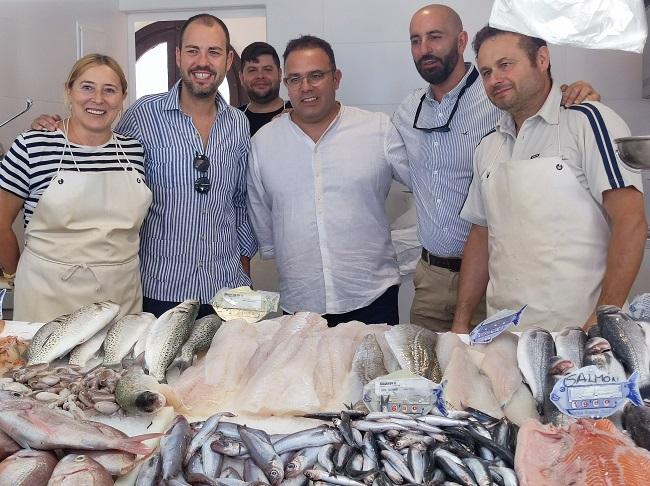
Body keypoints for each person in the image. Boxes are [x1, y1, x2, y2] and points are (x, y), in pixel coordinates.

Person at [389, 4, 600, 332]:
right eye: (415, 41)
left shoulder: (496, 91)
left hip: (496, 275)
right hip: (430, 278)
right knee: (426, 376)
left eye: (434, 37)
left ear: (461, 42)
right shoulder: (407, 111)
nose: (424, 49)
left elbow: (538, 98)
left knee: (492, 375)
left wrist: (574, 91)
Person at [31, 15, 257, 319]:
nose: (202, 62)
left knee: (229, 367)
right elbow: (100, 151)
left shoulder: (239, 124)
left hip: (226, 287)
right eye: (192, 51)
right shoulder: (143, 116)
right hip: (160, 288)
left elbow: (241, 202)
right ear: (178, 55)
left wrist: (243, 267)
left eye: (213, 52)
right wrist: (58, 128)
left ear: (228, 60)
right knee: (158, 367)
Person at [451, 26, 646, 332]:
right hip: (503, 336)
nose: (494, 80)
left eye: (506, 65)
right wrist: (461, 323)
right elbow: (480, 235)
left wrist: (600, 320)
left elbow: (631, 221)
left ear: (542, 59)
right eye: (487, 72)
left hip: (577, 334)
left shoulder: (589, 121)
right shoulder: (488, 146)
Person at [246, 35, 411, 326]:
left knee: (377, 373)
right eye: (295, 79)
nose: (305, 87)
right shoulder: (264, 143)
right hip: (301, 305)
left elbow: (424, 189)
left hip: (373, 298)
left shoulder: (377, 129)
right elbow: (262, 216)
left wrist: (410, 244)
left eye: (316, 76)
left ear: (336, 78)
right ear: (286, 84)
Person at [0, 54, 151, 321]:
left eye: (110, 90)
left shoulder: (133, 150)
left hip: (120, 296)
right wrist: (14, 276)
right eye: (87, 87)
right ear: (69, 91)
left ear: (122, 97)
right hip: (47, 295)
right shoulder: (32, 146)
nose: (98, 99)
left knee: (115, 365)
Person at [238, 42, 291, 136]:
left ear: (279, 74)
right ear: (242, 78)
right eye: (252, 70)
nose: (260, 76)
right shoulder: (232, 121)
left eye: (267, 69)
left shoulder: (297, 115)